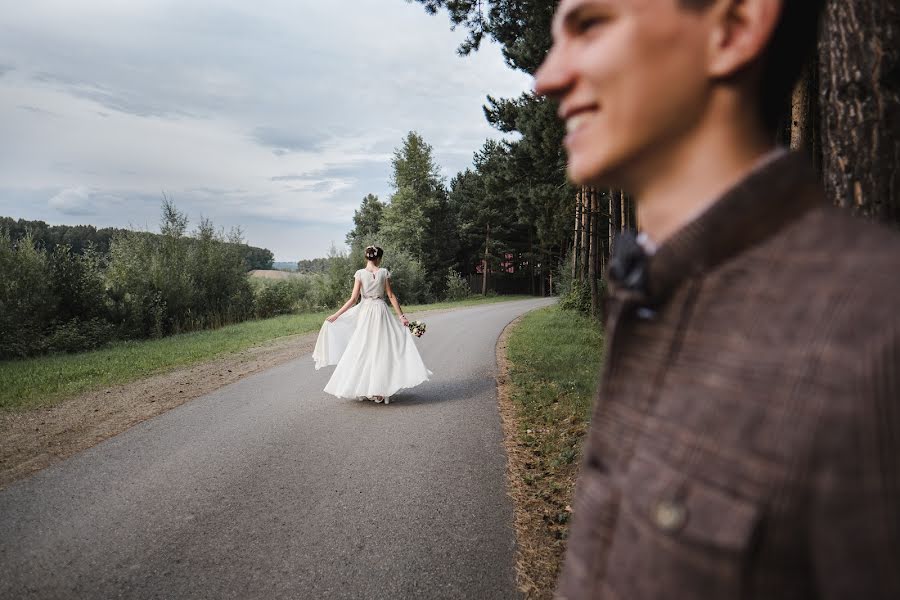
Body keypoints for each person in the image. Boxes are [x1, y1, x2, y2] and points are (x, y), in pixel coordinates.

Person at [534, 0, 900, 598]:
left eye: (590, 24)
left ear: (732, 28)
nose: (546, 78)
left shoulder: (877, 333)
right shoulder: (651, 289)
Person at [312, 245, 431, 404]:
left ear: (366, 258)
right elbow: (391, 296)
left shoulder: (360, 274)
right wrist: (401, 316)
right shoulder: (383, 272)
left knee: (363, 348)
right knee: (384, 348)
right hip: (381, 311)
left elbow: (353, 299)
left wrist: (336, 315)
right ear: (379, 258)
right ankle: (381, 389)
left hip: (366, 313)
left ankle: (364, 387)